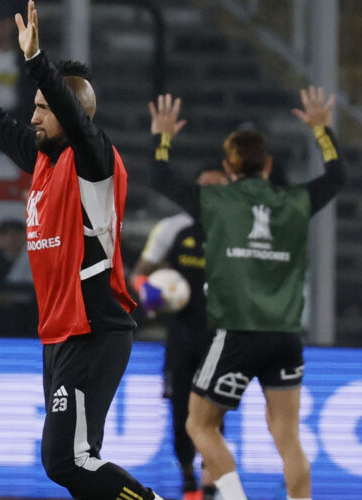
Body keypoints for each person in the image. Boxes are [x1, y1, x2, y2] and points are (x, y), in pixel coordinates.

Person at [0, 2, 163, 498]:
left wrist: (37, 59)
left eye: (43, 107)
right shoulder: (42, 160)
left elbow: (75, 121)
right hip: (61, 332)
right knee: (75, 462)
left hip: (93, 325)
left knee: (67, 459)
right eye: (35, 106)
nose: (33, 115)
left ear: (68, 112)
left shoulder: (94, 159)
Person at [148, 87, 346, 500]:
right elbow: (337, 177)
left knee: (198, 425)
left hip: (236, 334)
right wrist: (322, 131)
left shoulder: (215, 201)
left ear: (227, 167)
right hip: (287, 335)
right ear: (269, 165)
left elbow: (161, 177)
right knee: (287, 437)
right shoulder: (296, 201)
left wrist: (163, 136)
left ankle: (235, 497)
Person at [129, 166, 227, 500]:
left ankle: (210, 487)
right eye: (204, 187)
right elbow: (139, 275)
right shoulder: (172, 229)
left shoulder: (237, 231)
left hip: (221, 338)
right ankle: (188, 482)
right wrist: (151, 294)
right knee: (181, 412)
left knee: (214, 413)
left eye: (218, 187)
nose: (210, 194)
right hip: (181, 338)